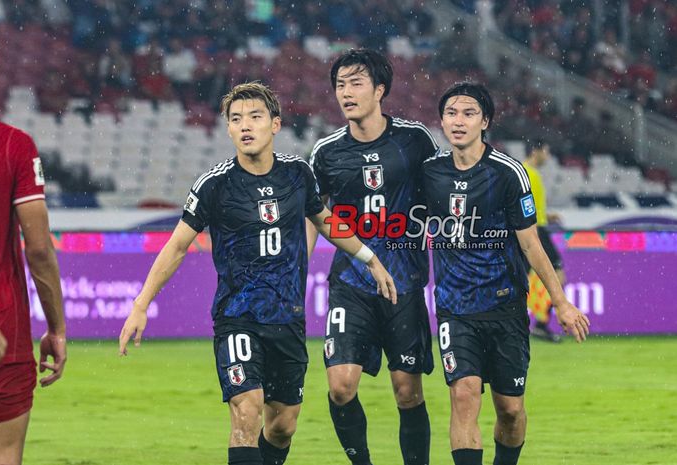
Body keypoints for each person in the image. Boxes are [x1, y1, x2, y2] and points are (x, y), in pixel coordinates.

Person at [118, 82, 397, 465]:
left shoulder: (298, 175)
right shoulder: (214, 185)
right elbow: (177, 246)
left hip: (288, 320)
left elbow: (327, 222)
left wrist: (370, 258)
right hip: (238, 318)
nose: (245, 125)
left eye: (254, 116)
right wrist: (141, 304)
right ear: (228, 129)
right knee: (245, 409)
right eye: (236, 119)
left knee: (282, 425)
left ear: (275, 124)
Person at [422, 82, 590, 465]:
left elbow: (532, 245)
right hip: (455, 308)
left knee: (510, 411)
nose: (458, 121)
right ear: (442, 121)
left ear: (485, 121)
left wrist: (561, 304)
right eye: (451, 113)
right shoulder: (429, 173)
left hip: (505, 308)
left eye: (468, 113)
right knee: (464, 393)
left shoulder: (509, 173)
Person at [307, 48, 438, 465]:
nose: (346, 92)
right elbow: (314, 213)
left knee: (407, 391)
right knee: (341, 386)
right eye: (340, 85)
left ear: (380, 90)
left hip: (405, 285)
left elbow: (443, 191)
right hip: (350, 284)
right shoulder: (326, 153)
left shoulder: (415, 141)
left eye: (356, 83)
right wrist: (296, 269)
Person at [0, 26, 67, 465]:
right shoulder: (13, 146)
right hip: (3, 329)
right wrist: (57, 328)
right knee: (4, 458)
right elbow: (39, 250)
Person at [522, 139, 564, 343]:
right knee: (557, 274)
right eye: (546, 151)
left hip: (537, 226)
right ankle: (540, 324)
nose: (547, 156)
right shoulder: (526, 173)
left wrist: (548, 215)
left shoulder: (529, 173)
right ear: (535, 151)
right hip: (535, 230)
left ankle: (534, 323)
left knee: (527, 277)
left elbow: (529, 205)